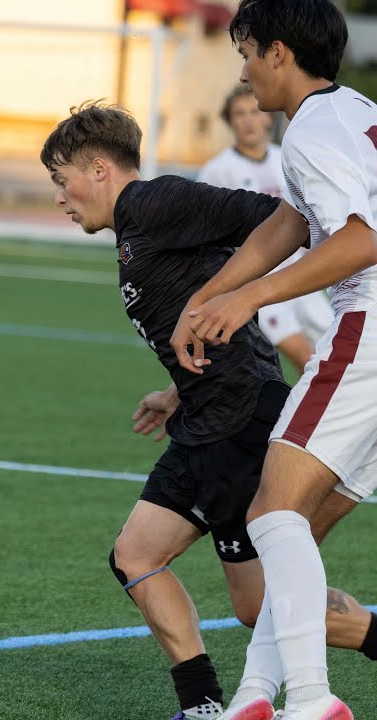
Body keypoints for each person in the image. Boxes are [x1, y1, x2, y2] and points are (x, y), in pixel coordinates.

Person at [41, 102, 376, 720]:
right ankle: (202, 706)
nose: (60, 197)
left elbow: (278, 221)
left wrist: (260, 293)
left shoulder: (153, 202)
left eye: (61, 181)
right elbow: (202, 296)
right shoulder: (135, 230)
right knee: (135, 556)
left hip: (240, 420)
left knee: (259, 606)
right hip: (203, 417)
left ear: (97, 169)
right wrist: (175, 389)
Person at [174, 1, 377, 718]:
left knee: (270, 512)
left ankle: (314, 700)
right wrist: (209, 296)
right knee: (294, 526)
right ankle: (256, 698)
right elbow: (289, 223)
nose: (244, 67)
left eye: (248, 50)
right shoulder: (351, 111)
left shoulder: (313, 132)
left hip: (371, 326)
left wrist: (247, 299)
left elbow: (359, 238)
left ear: (281, 54)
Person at [198, 85, 332, 373]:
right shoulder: (217, 171)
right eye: (239, 114)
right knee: (306, 359)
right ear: (230, 121)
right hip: (258, 283)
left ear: (267, 119)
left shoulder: (287, 156)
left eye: (253, 112)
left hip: (302, 275)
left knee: (337, 354)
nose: (248, 120)